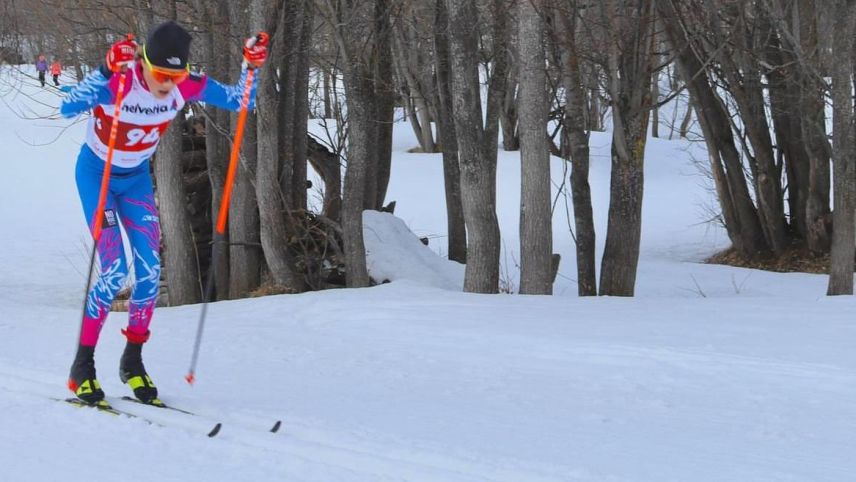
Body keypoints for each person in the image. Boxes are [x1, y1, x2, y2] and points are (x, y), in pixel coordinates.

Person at [59, 21, 269, 405]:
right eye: (160, 73)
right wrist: (105, 70)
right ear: (143, 63)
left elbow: (242, 100)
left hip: (136, 179)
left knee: (151, 272)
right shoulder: (119, 81)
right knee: (113, 270)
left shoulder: (186, 84)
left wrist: (250, 67)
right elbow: (67, 105)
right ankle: (82, 366)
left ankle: (133, 362)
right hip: (98, 177)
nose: (168, 83)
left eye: (176, 75)